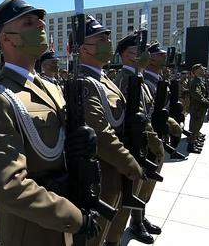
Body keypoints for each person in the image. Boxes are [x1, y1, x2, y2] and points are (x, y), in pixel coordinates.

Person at [0, 0, 100, 246]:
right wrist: (73, 217)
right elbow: (6, 186)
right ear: (6, 38)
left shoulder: (51, 87)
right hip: (31, 230)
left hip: (67, 207)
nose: (41, 25)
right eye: (29, 22)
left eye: (40, 21)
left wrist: (83, 140)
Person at [75, 15, 144, 246]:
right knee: (96, 235)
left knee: (112, 230)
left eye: (107, 38)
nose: (107, 44)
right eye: (100, 39)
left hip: (117, 169)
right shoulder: (84, 82)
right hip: (103, 172)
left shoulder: (105, 78)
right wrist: (129, 163)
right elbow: (102, 134)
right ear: (83, 48)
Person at [108, 32, 165, 245]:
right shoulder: (124, 79)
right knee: (131, 191)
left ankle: (139, 218)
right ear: (125, 55)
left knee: (145, 187)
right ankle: (132, 224)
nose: (144, 56)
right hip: (134, 145)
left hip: (145, 143)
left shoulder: (138, 78)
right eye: (138, 52)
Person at [144, 41, 185, 160]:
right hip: (152, 131)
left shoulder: (158, 78)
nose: (165, 57)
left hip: (161, 126)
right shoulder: (146, 81)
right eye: (160, 55)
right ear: (151, 60)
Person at [187, 63, 209, 154]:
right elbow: (196, 94)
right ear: (197, 71)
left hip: (199, 108)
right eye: (202, 69)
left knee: (197, 126)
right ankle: (191, 146)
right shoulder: (195, 82)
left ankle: (194, 142)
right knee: (194, 127)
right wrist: (205, 100)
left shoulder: (199, 81)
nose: (204, 71)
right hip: (197, 108)